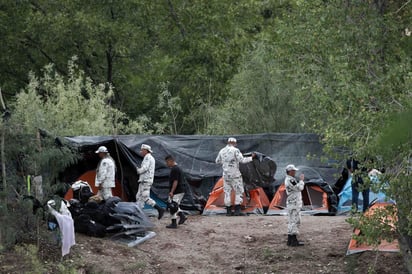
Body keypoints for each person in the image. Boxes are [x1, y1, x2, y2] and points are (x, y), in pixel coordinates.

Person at [215, 137, 255, 216]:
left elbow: (217, 161)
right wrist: (251, 158)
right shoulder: (235, 150)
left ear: (228, 142)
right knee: (238, 191)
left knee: (227, 192)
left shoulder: (222, 151)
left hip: (226, 175)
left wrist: (225, 163)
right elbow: (242, 160)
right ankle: (237, 210)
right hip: (235, 175)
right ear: (235, 143)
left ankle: (228, 211)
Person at [136, 144, 165, 219]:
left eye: (142, 150)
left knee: (145, 197)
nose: (141, 152)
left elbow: (145, 168)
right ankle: (139, 215)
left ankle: (159, 208)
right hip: (144, 180)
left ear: (146, 150)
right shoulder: (148, 157)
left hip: (145, 180)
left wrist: (138, 170)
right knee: (139, 197)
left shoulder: (148, 157)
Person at [285, 164, 305, 247]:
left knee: (291, 221)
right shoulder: (290, 180)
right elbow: (299, 188)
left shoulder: (289, 179)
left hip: (292, 203)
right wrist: (301, 181)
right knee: (295, 221)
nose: (295, 172)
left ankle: (290, 240)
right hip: (294, 203)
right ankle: (293, 241)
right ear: (290, 171)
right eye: (293, 171)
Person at [165, 155, 187, 229]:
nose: (166, 164)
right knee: (173, 205)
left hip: (177, 191)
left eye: (167, 162)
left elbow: (175, 181)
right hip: (180, 190)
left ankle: (181, 216)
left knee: (173, 206)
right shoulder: (177, 168)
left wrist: (172, 191)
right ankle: (174, 222)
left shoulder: (175, 169)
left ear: (170, 161)